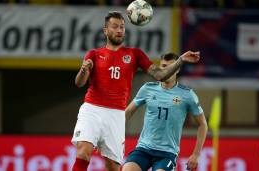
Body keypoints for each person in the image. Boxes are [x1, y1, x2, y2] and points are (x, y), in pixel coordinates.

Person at [71, 11, 201, 171]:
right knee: (83, 152)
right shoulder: (94, 54)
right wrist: (84, 71)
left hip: (116, 114)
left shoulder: (134, 54)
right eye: (115, 26)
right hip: (92, 109)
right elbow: (79, 83)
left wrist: (180, 60)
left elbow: (160, 74)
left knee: (113, 166)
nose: (119, 30)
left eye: (122, 27)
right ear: (105, 30)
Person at [123, 53, 207, 171]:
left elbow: (202, 124)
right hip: (143, 148)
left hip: (167, 153)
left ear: (177, 69)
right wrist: (116, 135)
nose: (167, 69)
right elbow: (128, 112)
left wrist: (196, 154)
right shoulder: (148, 88)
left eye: (171, 66)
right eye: (163, 66)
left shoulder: (187, 95)